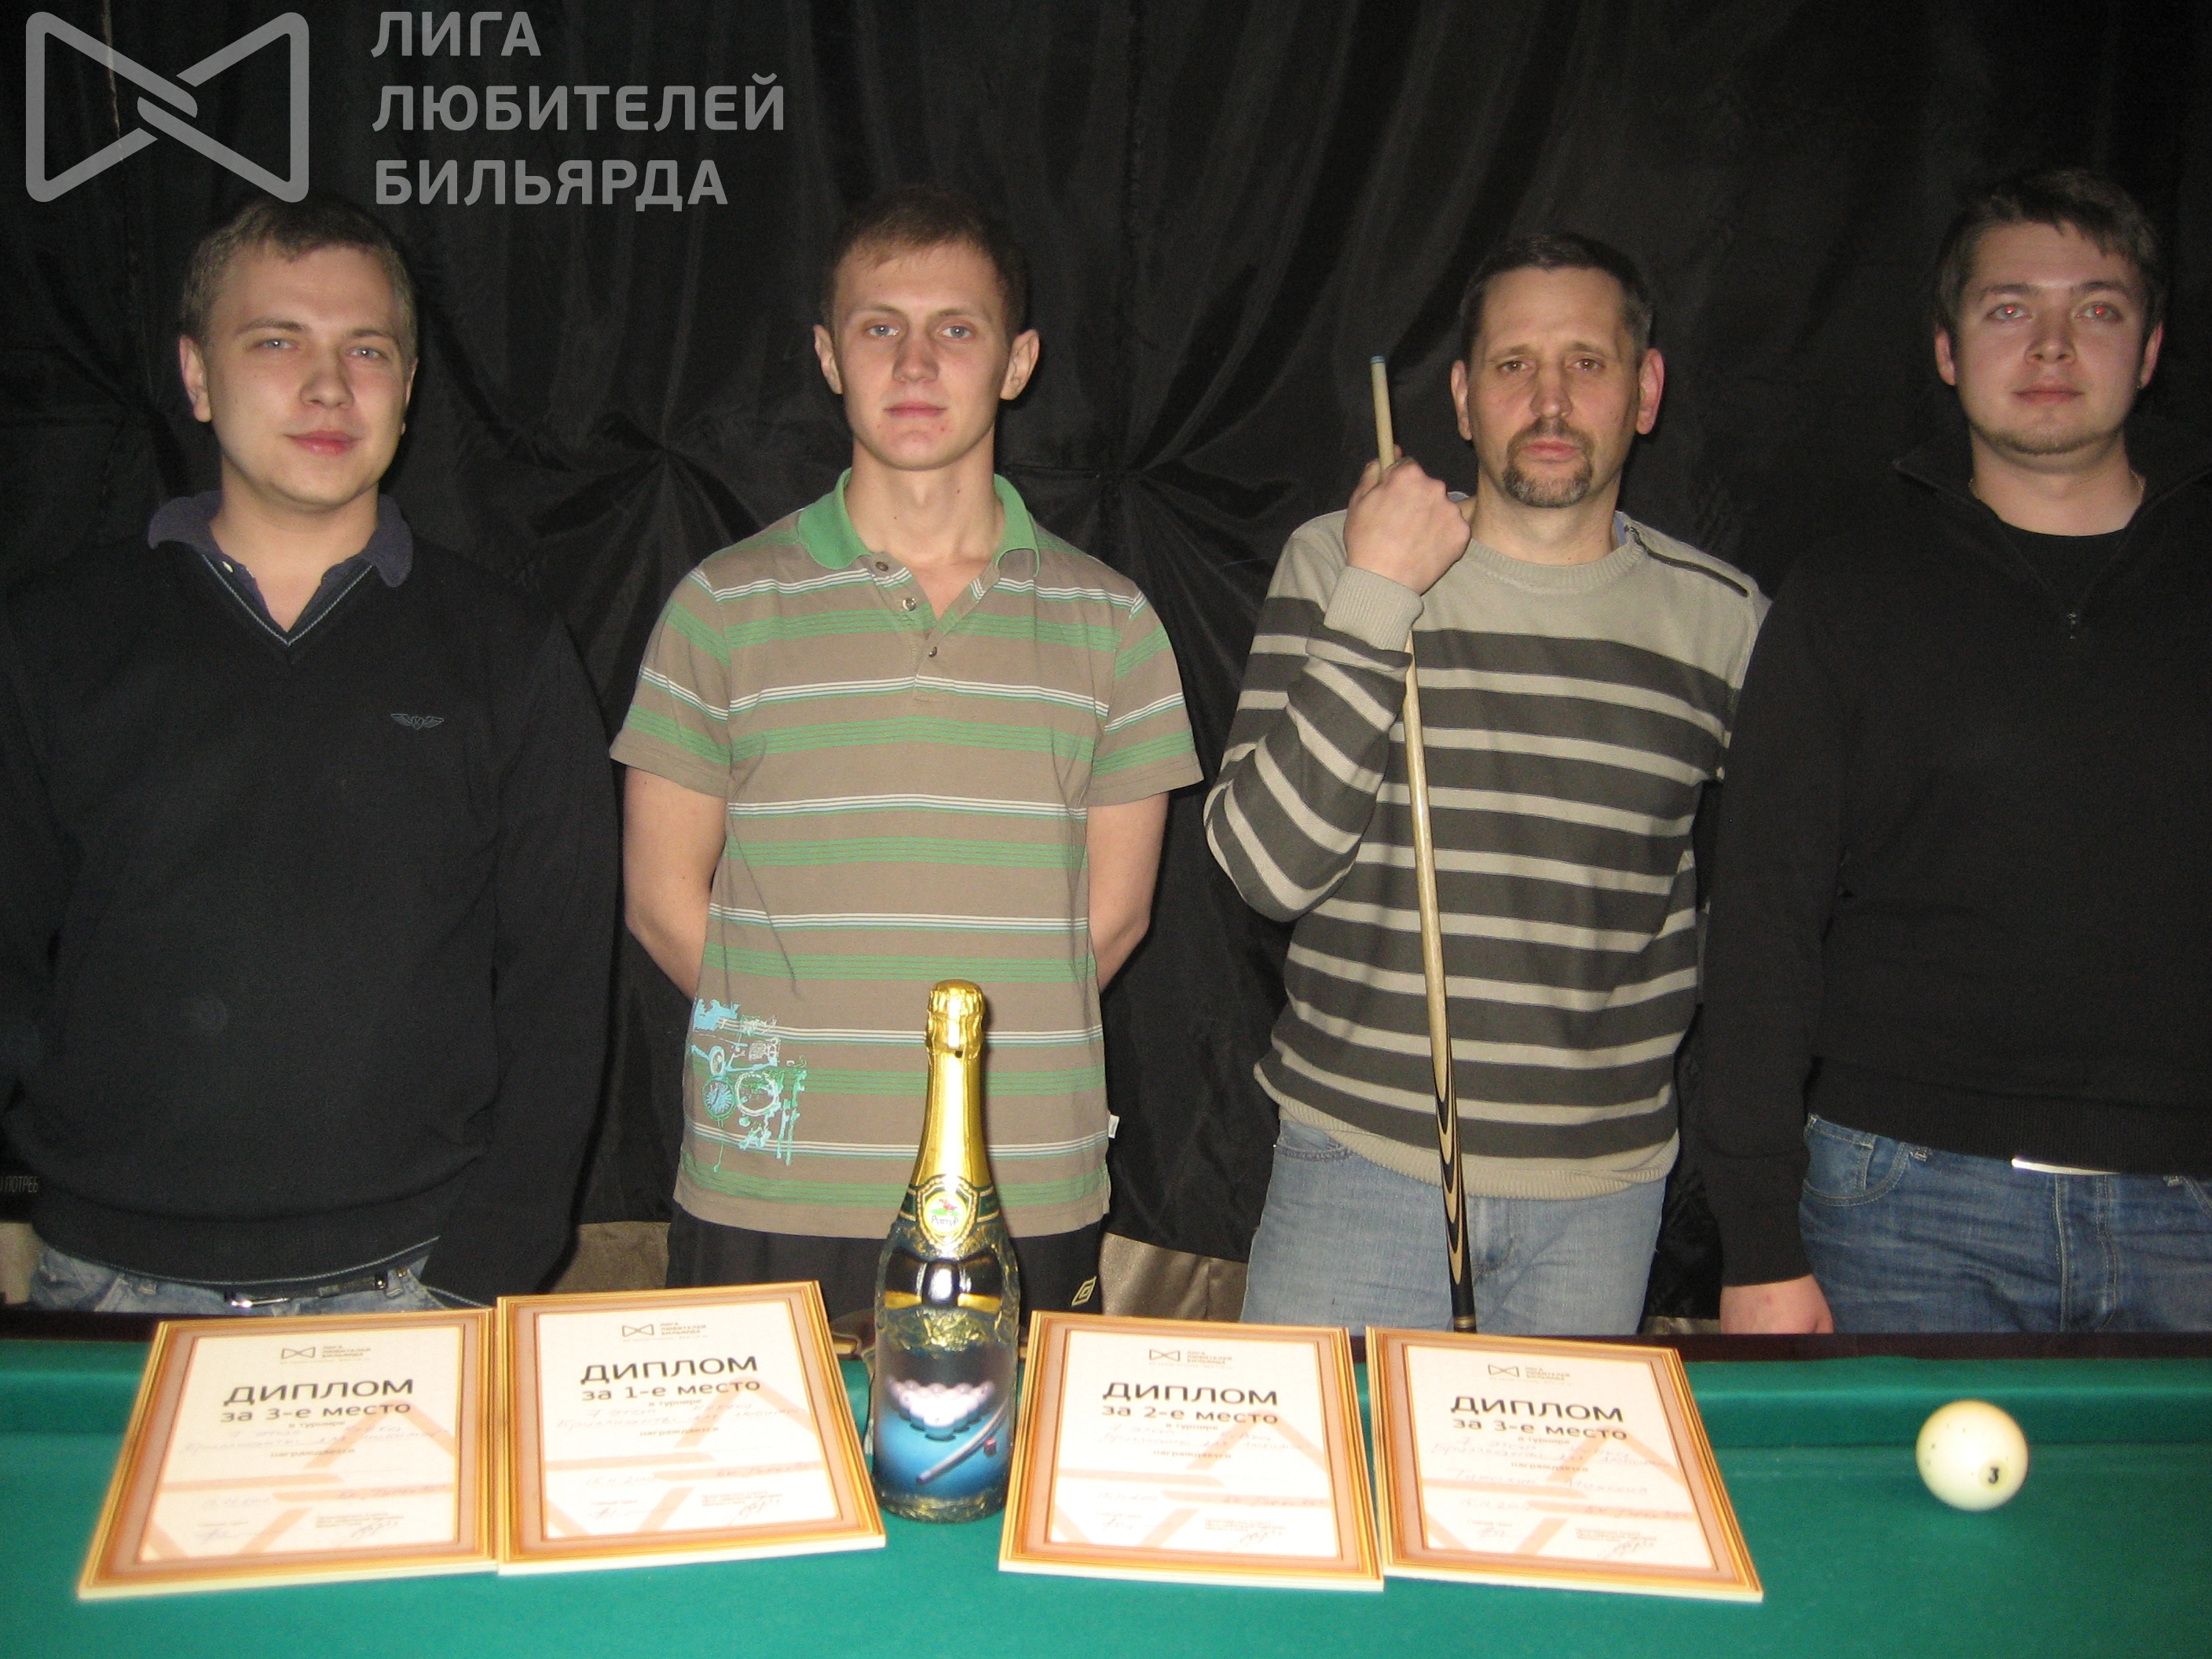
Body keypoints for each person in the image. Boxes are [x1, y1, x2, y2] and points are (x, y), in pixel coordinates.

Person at [0, 194, 617, 1315]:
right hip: (109, 1289)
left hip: (411, 1285)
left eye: (365, 350)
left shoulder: (509, 654)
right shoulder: (52, 641)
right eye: (278, 341)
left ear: (409, 387)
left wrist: (474, 1279)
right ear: (196, 376)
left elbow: (563, 998)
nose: (329, 387)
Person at [614, 185, 1200, 1320]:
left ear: (1017, 363)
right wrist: (806, 1061)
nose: (917, 362)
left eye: (957, 329)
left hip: (1020, 1181)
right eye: (881, 327)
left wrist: (956, 1073)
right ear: (829, 357)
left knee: (1009, 1448)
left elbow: (1112, 922)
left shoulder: (1114, 622)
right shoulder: (719, 607)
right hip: (769, 1180)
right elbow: (661, 902)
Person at [1207, 234, 1766, 1335]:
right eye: (1515, 365)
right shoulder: (1340, 557)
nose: (1550, 400)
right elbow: (1267, 872)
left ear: (1646, 390)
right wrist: (1380, 589)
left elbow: (1780, 909)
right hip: (1355, 1163)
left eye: (1587, 363)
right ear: (1463, 398)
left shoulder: (1725, 619)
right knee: (1325, 1458)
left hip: (1604, 1193)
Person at [1699, 168, 2212, 1334]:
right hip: (1902, 1208)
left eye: (2096, 308)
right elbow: (1763, 924)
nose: (2050, 344)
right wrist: (1757, 1240)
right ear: (1946, 348)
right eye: (2008, 308)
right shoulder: (1847, 595)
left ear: (2149, 350)